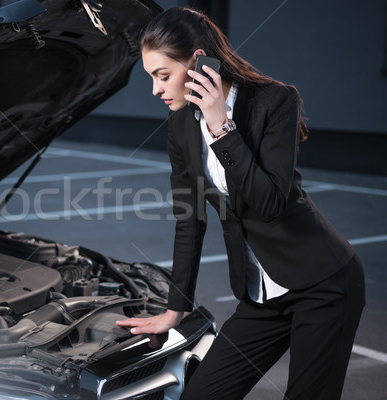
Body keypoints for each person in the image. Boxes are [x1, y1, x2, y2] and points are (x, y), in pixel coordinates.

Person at [116, 7, 365, 400]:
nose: (156, 90)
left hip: (322, 284)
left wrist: (221, 127)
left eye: (162, 76)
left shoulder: (275, 101)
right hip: (261, 297)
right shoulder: (180, 126)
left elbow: (268, 203)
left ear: (199, 62)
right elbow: (189, 218)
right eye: (152, 78)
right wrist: (174, 309)